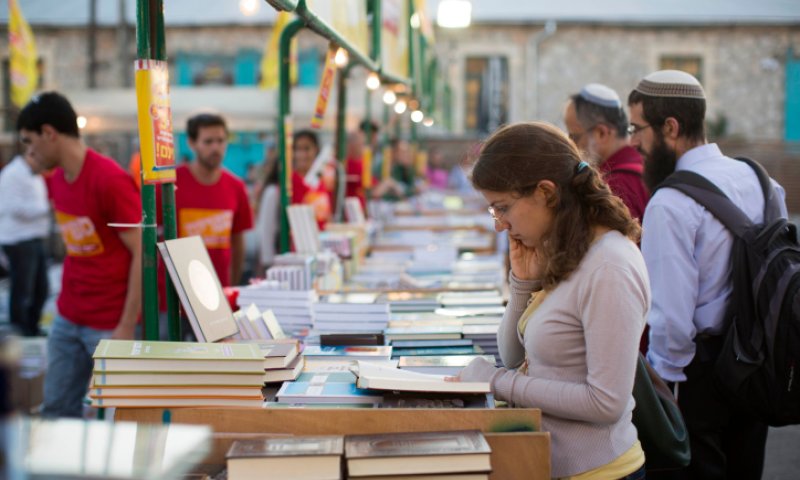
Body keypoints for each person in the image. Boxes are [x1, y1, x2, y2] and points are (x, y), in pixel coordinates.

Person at [453, 122, 650, 479]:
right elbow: (514, 357)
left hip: (600, 471)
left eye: (503, 208)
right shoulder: (568, 251)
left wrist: (495, 382)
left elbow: (606, 401)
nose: (500, 225)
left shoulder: (609, 265)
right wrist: (522, 285)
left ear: (545, 193)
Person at [628, 70, 787, 480]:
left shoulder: (670, 201)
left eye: (637, 128)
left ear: (670, 127)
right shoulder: (763, 181)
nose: (634, 142)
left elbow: (671, 316)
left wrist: (666, 389)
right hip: (758, 359)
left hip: (703, 372)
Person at [17, 92, 142, 418]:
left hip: (109, 323)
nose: (28, 152)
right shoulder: (57, 178)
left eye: (30, 141)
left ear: (49, 133)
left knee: (119, 421)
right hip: (68, 317)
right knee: (55, 412)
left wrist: (127, 326)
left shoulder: (110, 179)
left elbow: (143, 253)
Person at [173, 113, 253, 287]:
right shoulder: (170, 185)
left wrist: (233, 285)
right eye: (208, 142)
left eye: (221, 140)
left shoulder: (236, 187)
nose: (216, 147)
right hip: (176, 297)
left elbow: (238, 241)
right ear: (192, 143)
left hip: (219, 292)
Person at [564, 83, 649, 222]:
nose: (571, 145)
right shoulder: (642, 162)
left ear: (601, 133)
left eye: (574, 137)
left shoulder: (616, 184)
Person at [0, 151, 50, 336]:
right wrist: (45, 208)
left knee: (40, 287)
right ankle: (19, 329)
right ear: (31, 155)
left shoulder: (34, 175)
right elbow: (12, 207)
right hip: (18, 238)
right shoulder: (12, 174)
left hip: (33, 236)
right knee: (23, 288)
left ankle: (31, 326)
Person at [290, 129, 332, 229]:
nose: (301, 154)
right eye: (297, 149)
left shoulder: (321, 181)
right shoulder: (290, 182)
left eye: (306, 149)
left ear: (316, 150)